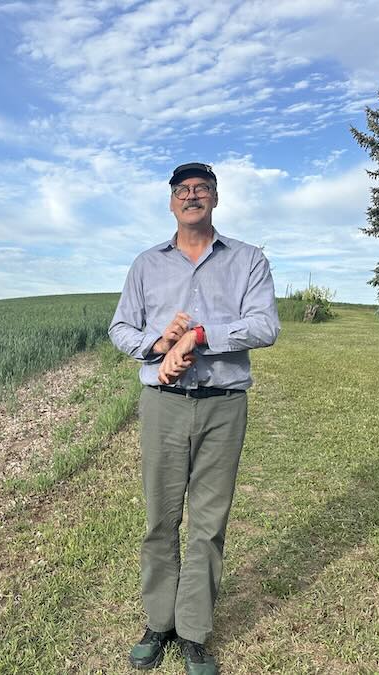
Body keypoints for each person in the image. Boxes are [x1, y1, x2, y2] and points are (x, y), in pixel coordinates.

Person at [108, 162, 280, 674]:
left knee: (208, 523)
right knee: (160, 518)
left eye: (201, 188)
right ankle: (159, 621)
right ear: (170, 202)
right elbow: (120, 328)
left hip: (223, 406)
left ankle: (193, 631)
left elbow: (264, 326)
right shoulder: (146, 264)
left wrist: (198, 336)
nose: (191, 195)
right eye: (182, 189)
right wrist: (160, 343)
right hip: (163, 405)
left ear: (215, 198)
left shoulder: (248, 260)